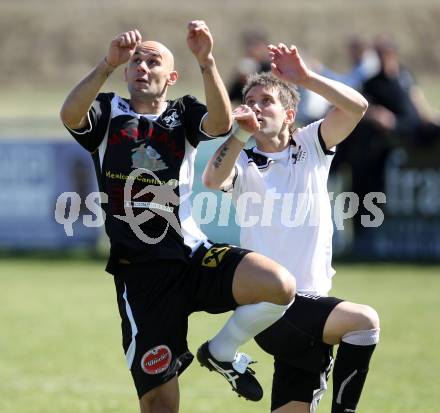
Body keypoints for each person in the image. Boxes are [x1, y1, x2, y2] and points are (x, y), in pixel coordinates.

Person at [60, 22, 296, 413]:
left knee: (279, 284)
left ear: (170, 76)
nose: (142, 67)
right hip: (143, 276)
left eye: (153, 61)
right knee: (160, 403)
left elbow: (220, 125)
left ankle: (221, 351)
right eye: (136, 61)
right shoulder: (106, 112)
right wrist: (105, 64)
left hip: (192, 256)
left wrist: (206, 62)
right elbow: (69, 115)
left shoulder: (182, 113)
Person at [203, 43, 380, 413]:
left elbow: (357, 107)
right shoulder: (245, 160)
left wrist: (306, 78)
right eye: (249, 100)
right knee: (364, 322)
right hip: (272, 307)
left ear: (289, 114)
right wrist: (237, 136)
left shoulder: (310, 144)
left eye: (265, 100)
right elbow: (211, 179)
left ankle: (220, 351)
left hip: (313, 307)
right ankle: (220, 350)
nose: (254, 106)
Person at [228, 30, 272, 104]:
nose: (251, 49)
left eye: (255, 45)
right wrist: (241, 82)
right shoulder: (244, 68)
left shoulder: (271, 68)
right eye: (249, 45)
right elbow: (230, 97)